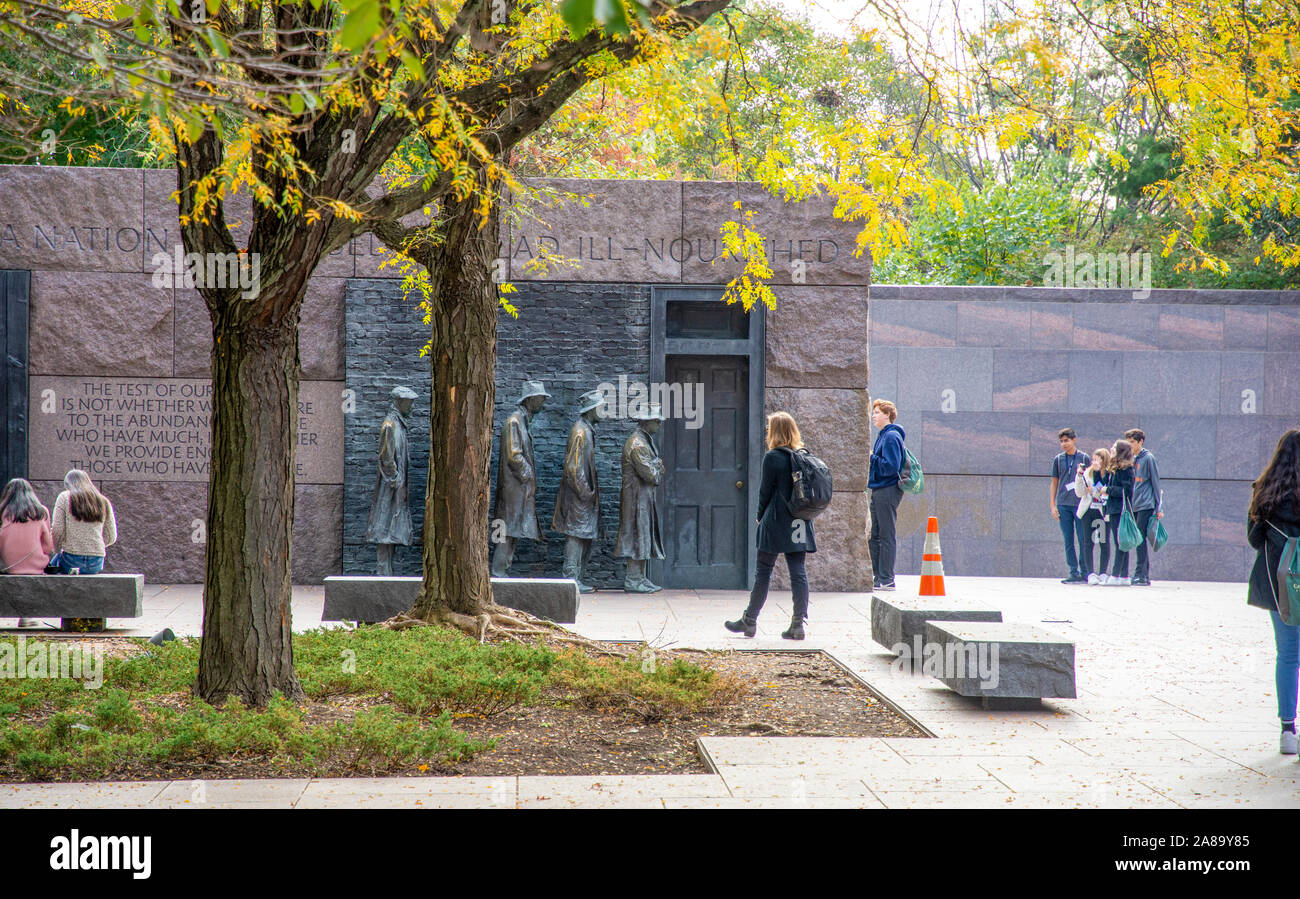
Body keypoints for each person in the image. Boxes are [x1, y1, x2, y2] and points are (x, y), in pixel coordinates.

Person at [725, 411, 816, 640]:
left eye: (769, 428)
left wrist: (758, 515)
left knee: (763, 572)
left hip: (775, 522)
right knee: (798, 572)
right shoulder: (802, 456)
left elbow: (765, 491)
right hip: (799, 521)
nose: (767, 431)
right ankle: (797, 625)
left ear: (775, 431)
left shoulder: (773, 457)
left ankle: (749, 621)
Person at [1247, 429, 1300, 755]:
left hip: (1280, 583)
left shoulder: (1263, 491)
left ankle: (1287, 730)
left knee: (1288, 654)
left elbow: (1255, 541)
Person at [491, 380, 550, 577]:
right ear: (531, 400)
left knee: (513, 530)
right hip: (513, 490)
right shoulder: (514, 422)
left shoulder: (522, 422)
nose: (543, 403)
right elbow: (514, 455)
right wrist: (528, 475)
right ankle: (498, 571)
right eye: (541, 399)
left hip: (518, 490)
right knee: (506, 529)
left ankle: (502, 570)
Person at [553, 388, 605, 593]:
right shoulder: (580, 432)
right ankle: (571, 578)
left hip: (583, 495)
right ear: (591, 409)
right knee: (575, 534)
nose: (604, 411)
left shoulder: (586, 429)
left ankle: (577, 578)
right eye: (601, 407)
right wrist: (585, 493)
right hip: (578, 496)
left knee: (583, 534)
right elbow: (573, 468)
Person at [614, 404, 666, 593]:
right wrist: (657, 467)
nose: (660, 424)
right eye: (657, 421)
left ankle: (640, 578)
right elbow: (651, 475)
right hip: (636, 498)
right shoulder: (638, 444)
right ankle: (633, 579)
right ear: (647, 422)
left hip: (643, 497)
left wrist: (656, 466)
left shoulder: (644, 440)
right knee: (637, 535)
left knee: (643, 535)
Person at [366, 385, 417, 576]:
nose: (412, 407)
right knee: (385, 526)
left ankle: (387, 572)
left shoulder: (399, 424)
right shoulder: (390, 425)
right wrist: (394, 478)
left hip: (397, 487)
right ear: (399, 402)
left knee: (392, 528)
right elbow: (386, 457)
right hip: (390, 487)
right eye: (409, 403)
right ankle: (383, 572)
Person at [0, 478, 55, 628]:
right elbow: (48, 546)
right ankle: (28, 616)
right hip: (36, 564)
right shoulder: (41, 512)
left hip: (8, 565)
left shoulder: (3, 512)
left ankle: (25, 616)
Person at [868, 399, 905, 592]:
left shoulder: (891, 436)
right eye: (873, 412)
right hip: (879, 489)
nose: (873, 415)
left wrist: (871, 456)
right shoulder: (883, 436)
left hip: (887, 489)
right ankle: (878, 576)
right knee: (875, 535)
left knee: (885, 534)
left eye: (877, 412)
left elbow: (890, 467)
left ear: (887, 415)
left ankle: (887, 578)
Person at [50, 469, 117, 575]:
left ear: (68, 485)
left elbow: (57, 530)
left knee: (50, 568)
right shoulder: (103, 500)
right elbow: (111, 536)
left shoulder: (64, 497)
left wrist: (57, 549)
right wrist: (95, 546)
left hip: (71, 558)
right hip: (97, 561)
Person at [1050, 428, 1092, 584]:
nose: (1064, 444)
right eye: (1061, 441)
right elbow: (1054, 482)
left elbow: (1090, 479)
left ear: (1074, 440)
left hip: (1080, 504)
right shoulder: (1058, 459)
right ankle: (1073, 571)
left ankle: (1085, 571)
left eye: (1066, 440)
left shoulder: (1084, 458)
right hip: (1063, 504)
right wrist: (1053, 505)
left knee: (1082, 538)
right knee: (1068, 539)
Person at [1125, 428, 1163, 586]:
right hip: (1134, 504)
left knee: (1139, 539)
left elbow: (1155, 483)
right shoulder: (1131, 458)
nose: (1130, 445)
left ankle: (1140, 573)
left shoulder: (1148, 458)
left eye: (1132, 442)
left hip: (1146, 504)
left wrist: (1158, 507)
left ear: (1140, 441)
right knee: (1138, 539)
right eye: (1128, 443)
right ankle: (1143, 574)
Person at [1074, 447, 1112, 585]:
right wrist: (1079, 476)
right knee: (1087, 542)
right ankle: (1090, 573)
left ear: (1104, 460)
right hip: (1087, 511)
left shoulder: (1109, 474)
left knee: (1103, 541)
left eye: (1098, 459)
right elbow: (1079, 493)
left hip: (1101, 512)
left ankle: (1102, 572)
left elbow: (1106, 492)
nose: (1094, 462)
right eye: (1093, 459)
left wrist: (1095, 491)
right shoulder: (1087, 473)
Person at [1104, 440, 1136, 586]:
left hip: (1120, 510)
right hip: (1113, 509)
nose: (1111, 449)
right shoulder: (1115, 469)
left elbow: (1127, 491)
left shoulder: (1126, 469)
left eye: (1115, 447)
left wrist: (1108, 490)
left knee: (1120, 543)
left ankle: (1116, 574)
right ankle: (1124, 576)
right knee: (1121, 542)